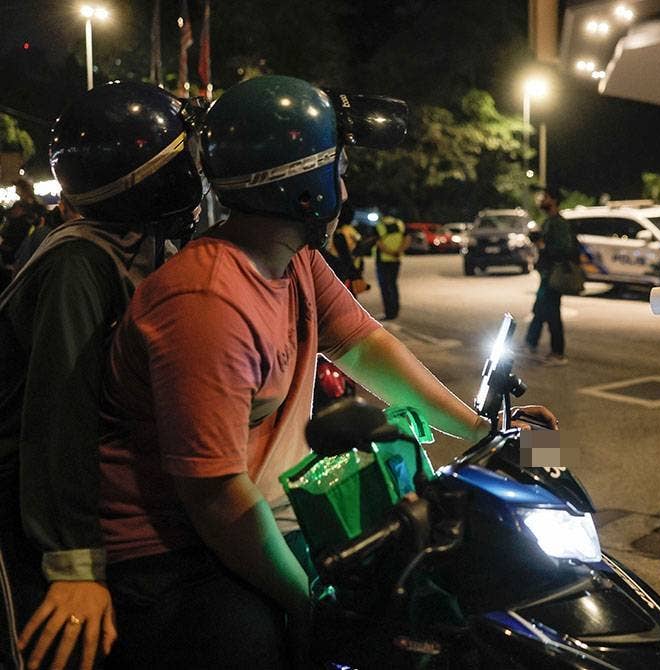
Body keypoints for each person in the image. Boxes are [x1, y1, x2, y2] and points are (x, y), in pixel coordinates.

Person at [96, 75, 556, 669]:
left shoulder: (293, 261)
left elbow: (365, 345)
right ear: (306, 190)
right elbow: (216, 499)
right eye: (337, 170)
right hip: (175, 551)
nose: (344, 186)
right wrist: (308, 600)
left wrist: (482, 431)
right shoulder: (207, 303)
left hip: (265, 509)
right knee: (319, 644)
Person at [0, 81, 204, 670]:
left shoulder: (133, 242)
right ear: (154, 178)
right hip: (18, 501)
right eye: (184, 161)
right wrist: (74, 565)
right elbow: (59, 413)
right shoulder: (80, 261)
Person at [524, 184, 576, 366]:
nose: (541, 200)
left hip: (554, 274)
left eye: (545, 197)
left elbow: (563, 249)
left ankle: (557, 353)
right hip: (546, 274)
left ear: (553, 200)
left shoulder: (559, 223)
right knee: (540, 309)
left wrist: (543, 245)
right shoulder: (548, 222)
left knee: (551, 313)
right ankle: (530, 343)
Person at [320, 202, 368, 296]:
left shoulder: (336, 232)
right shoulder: (349, 231)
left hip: (339, 269)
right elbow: (353, 252)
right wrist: (356, 273)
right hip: (347, 269)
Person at [372, 214, 409, 320]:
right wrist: (399, 251)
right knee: (393, 284)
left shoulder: (379, 225)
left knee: (384, 286)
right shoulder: (400, 224)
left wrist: (389, 252)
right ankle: (395, 311)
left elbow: (378, 243)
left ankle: (388, 312)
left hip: (382, 260)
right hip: (396, 259)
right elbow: (407, 239)